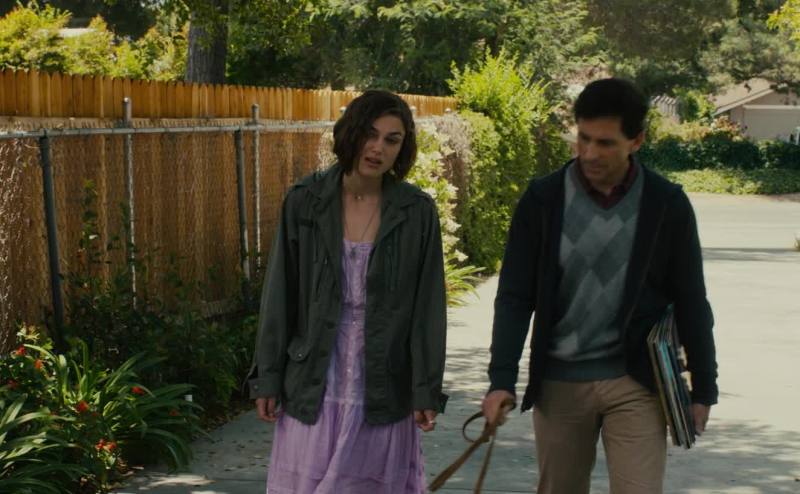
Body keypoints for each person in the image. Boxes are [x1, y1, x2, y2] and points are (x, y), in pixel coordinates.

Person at [481, 78, 718, 494]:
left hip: (636, 381)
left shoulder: (666, 204)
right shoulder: (543, 201)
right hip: (559, 382)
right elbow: (515, 297)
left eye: (605, 143)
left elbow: (691, 299)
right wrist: (501, 378)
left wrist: (703, 387)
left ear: (637, 140)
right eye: (584, 138)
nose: (589, 153)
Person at [248, 89, 448, 494]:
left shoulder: (416, 212)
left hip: (384, 385)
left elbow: (428, 309)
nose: (378, 148)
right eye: (370, 134)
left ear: (403, 147)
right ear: (351, 134)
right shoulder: (305, 202)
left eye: (392, 140)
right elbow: (279, 296)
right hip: (314, 382)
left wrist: (425, 388)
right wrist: (267, 377)